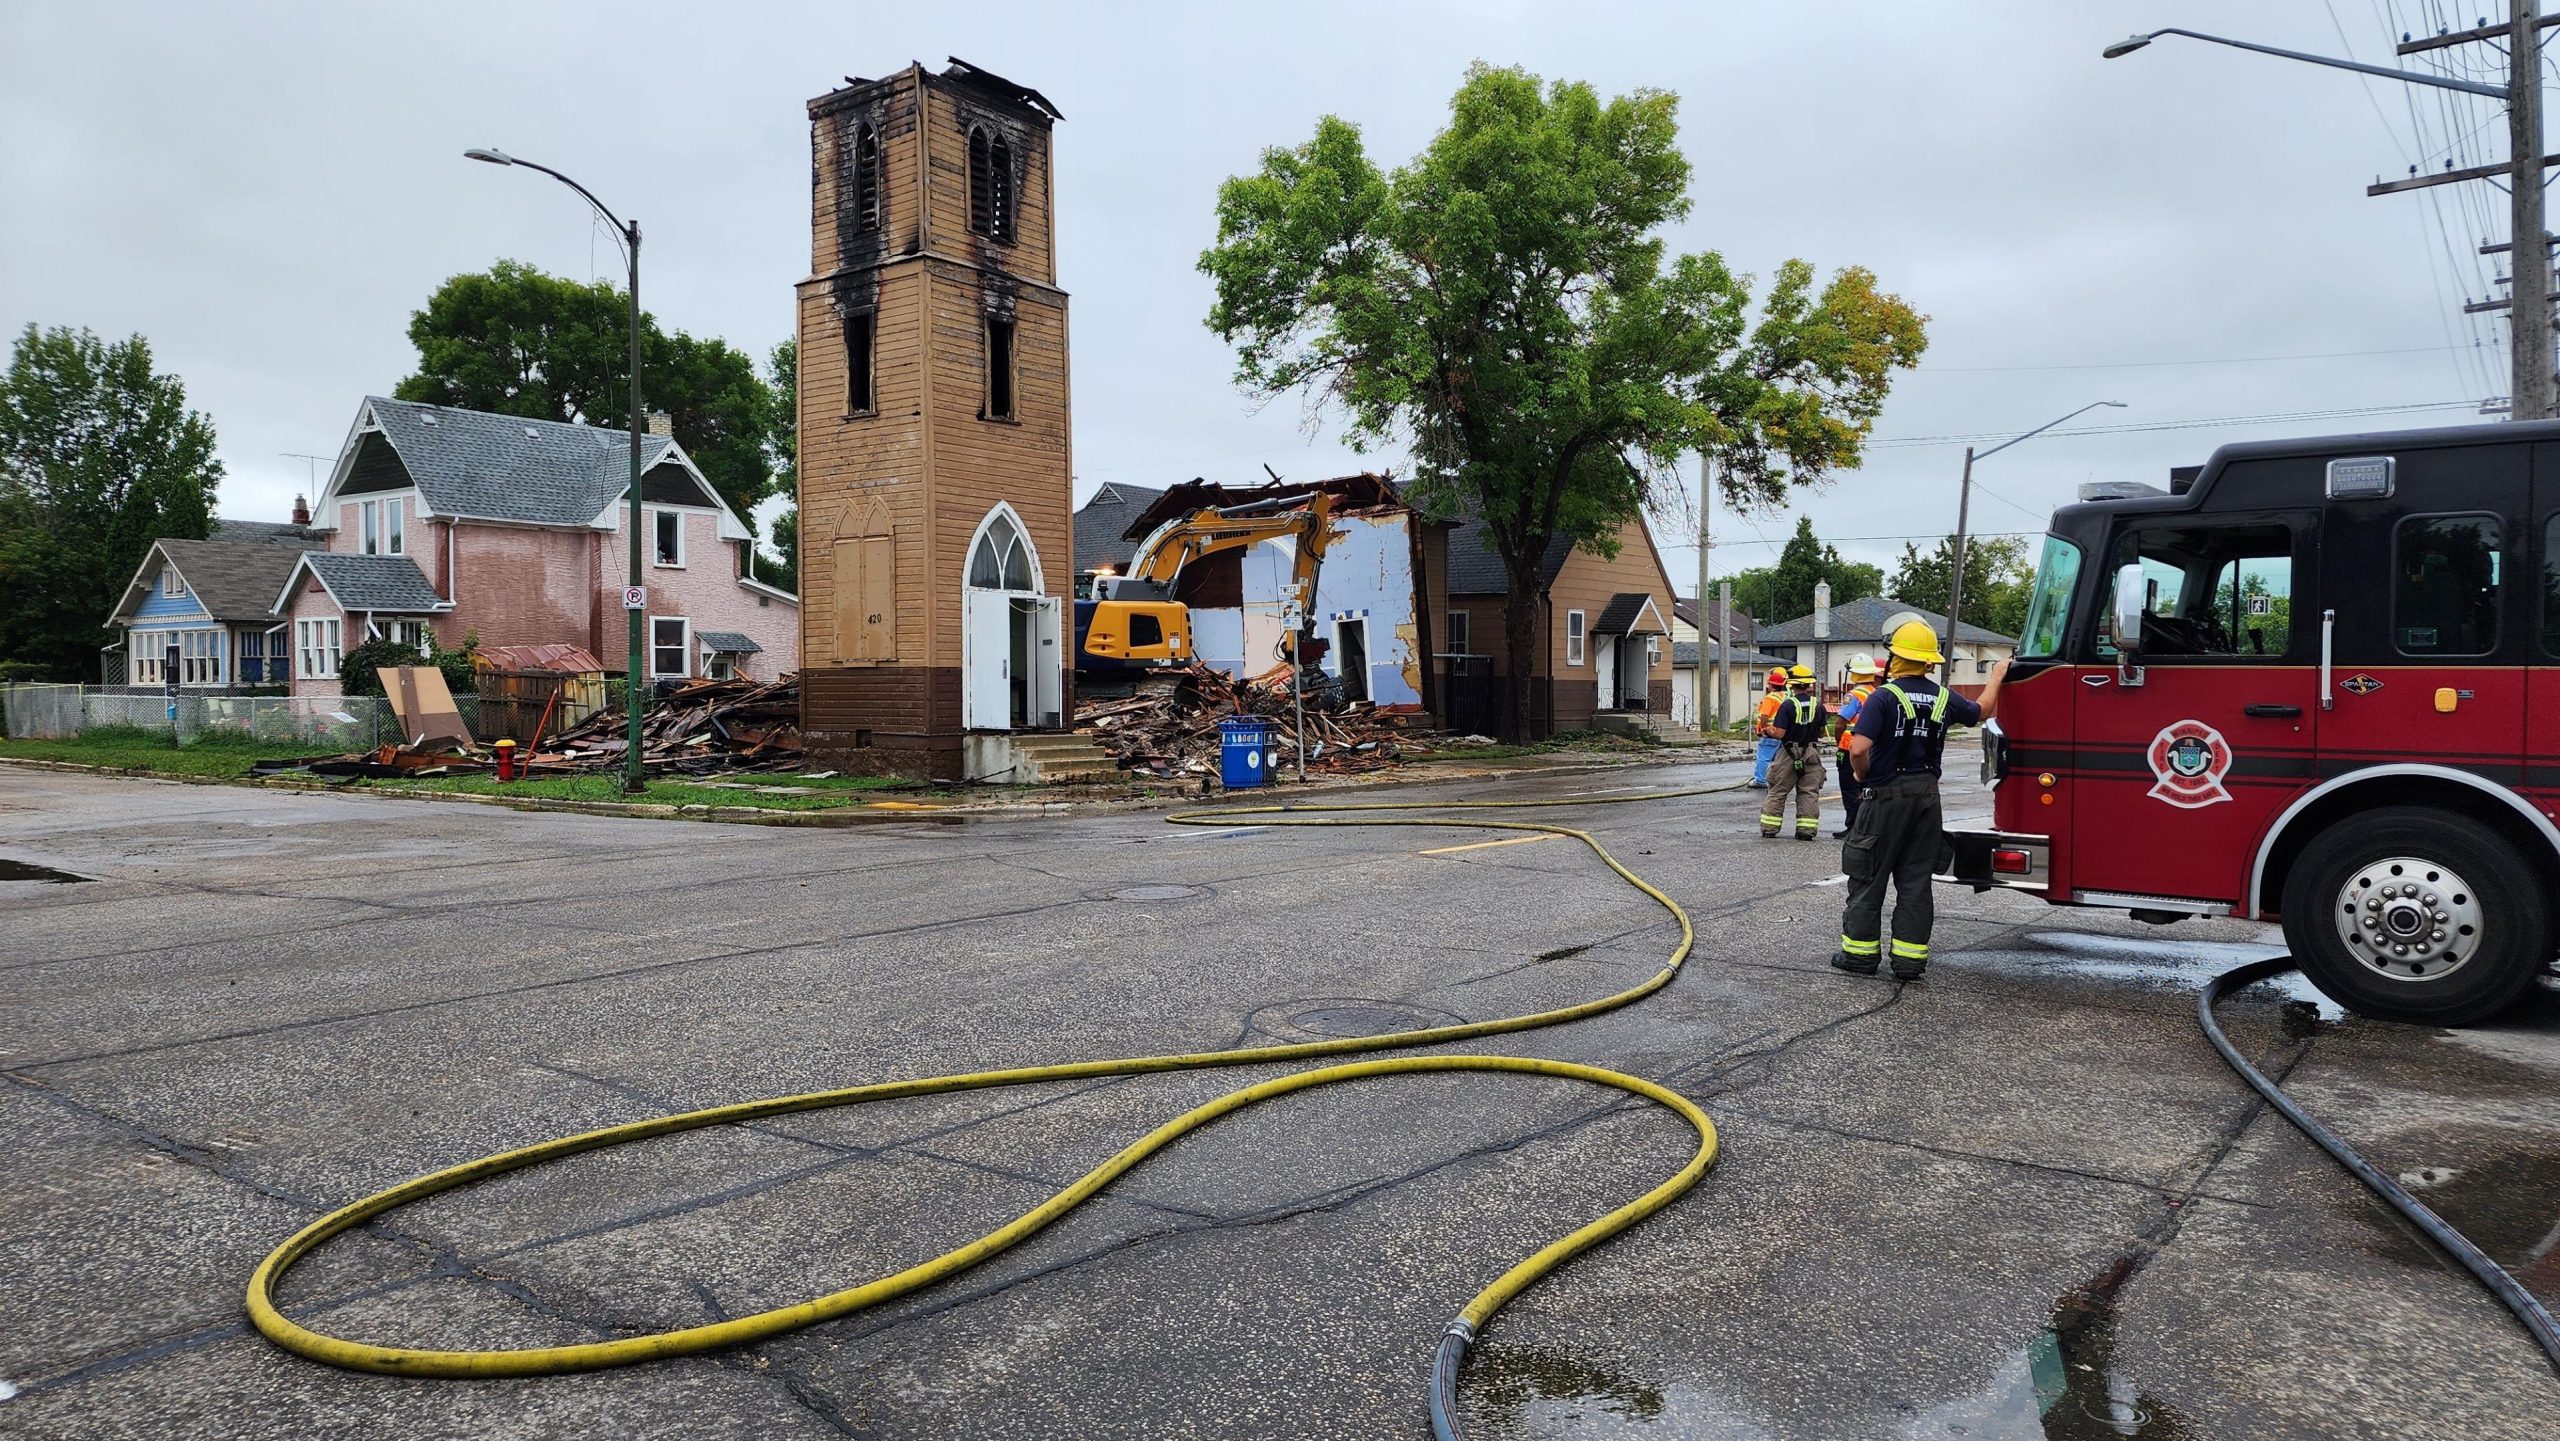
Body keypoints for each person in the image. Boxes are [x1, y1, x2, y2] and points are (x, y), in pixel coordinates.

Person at [1833, 622, 2008, 981]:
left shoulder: (1883, 697)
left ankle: (1860, 956)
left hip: (1884, 798)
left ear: (1896, 657)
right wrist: (1998, 673)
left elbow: (1860, 749)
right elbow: (1984, 710)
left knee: (1868, 875)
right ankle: (1910, 962)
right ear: (1929, 662)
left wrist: (1861, 775)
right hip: (1927, 797)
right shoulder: (1944, 697)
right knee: (1915, 880)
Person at [1760, 665, 1828, 840]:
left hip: (1788, 752)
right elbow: (1821, 732)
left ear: (1791, 684)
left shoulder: (1788, 705)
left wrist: (1767, 730)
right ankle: (1806, 831)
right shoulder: (1818, 705)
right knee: (1809, 792)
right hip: (1811, 752)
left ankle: (1770, 828)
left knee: (1778, 790)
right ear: (1809, 685)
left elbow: (1780, 733)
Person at [1831, 653, 1880, 839]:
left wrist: (1838, 743)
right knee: (1867, 789)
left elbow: (1840, 723)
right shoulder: (1877, 693)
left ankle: (1853, 827)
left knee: (1850, 789)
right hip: (1872, 747)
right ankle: (1867, 826)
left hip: (1850, 748)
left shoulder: (1854, 695)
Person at [1750, 667, 1787, 786]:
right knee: (1778, 759)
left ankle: (1760, 780)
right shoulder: (1785, 696)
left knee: (1764, 757)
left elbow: (1765, 717)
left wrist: (1763, 729)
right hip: (1781, 732)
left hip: (1769, 732)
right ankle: (1776, 779)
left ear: (1770, 685)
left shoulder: (1770, 698)